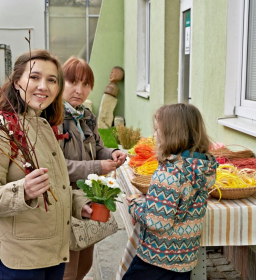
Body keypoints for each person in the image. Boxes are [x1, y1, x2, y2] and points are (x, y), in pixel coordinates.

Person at [0, 50, 90, 280]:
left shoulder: (44, 126)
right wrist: (23, 191)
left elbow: (56, 184)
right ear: (17, 81)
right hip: (16, 260)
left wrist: (80, 204)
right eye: (35, 77)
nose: (43, 86)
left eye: (51, 80)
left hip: (51, 254)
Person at [123, 103, 218, 280]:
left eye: (157, 130)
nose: (154, 135)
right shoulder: (203, 168)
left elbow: (158, 222)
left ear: (173, 134)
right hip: (184, 259)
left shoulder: (168, 173)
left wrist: (135, 207)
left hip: (157, 258)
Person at [60, 56, 127, 280]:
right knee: (67, 272)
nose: (80, 90)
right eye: (73, 82)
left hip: (87, 199)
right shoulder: (52, 119)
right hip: (65, 203)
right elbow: (59, 167)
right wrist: (98, 167)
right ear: (60, 82)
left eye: (86, 84)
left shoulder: (86, 116)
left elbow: (99, 147)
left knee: (84, 265)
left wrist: (111, 153)